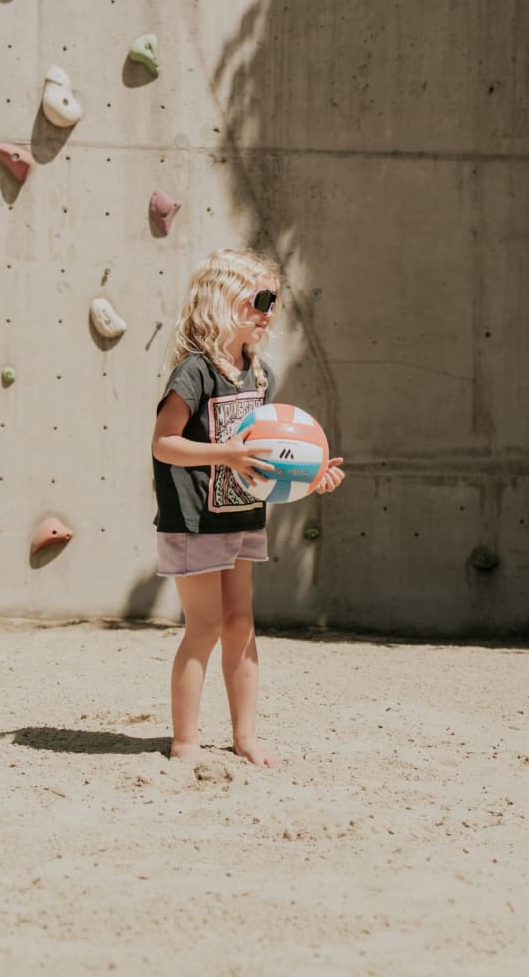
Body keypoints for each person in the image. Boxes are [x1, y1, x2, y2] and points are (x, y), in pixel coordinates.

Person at [152, 247, 345, 767]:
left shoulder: (258, 377)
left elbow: (271, 457)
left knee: (240, 624)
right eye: (260, 300)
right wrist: (227, 454)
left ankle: (245, 737)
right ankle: (186, 742)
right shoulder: (194, 372)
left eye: (274, 302)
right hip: (194, 519)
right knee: (205, 626)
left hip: (240, 515)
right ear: (221, 299)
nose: (268, 313)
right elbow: (164, 444)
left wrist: (311, 476)